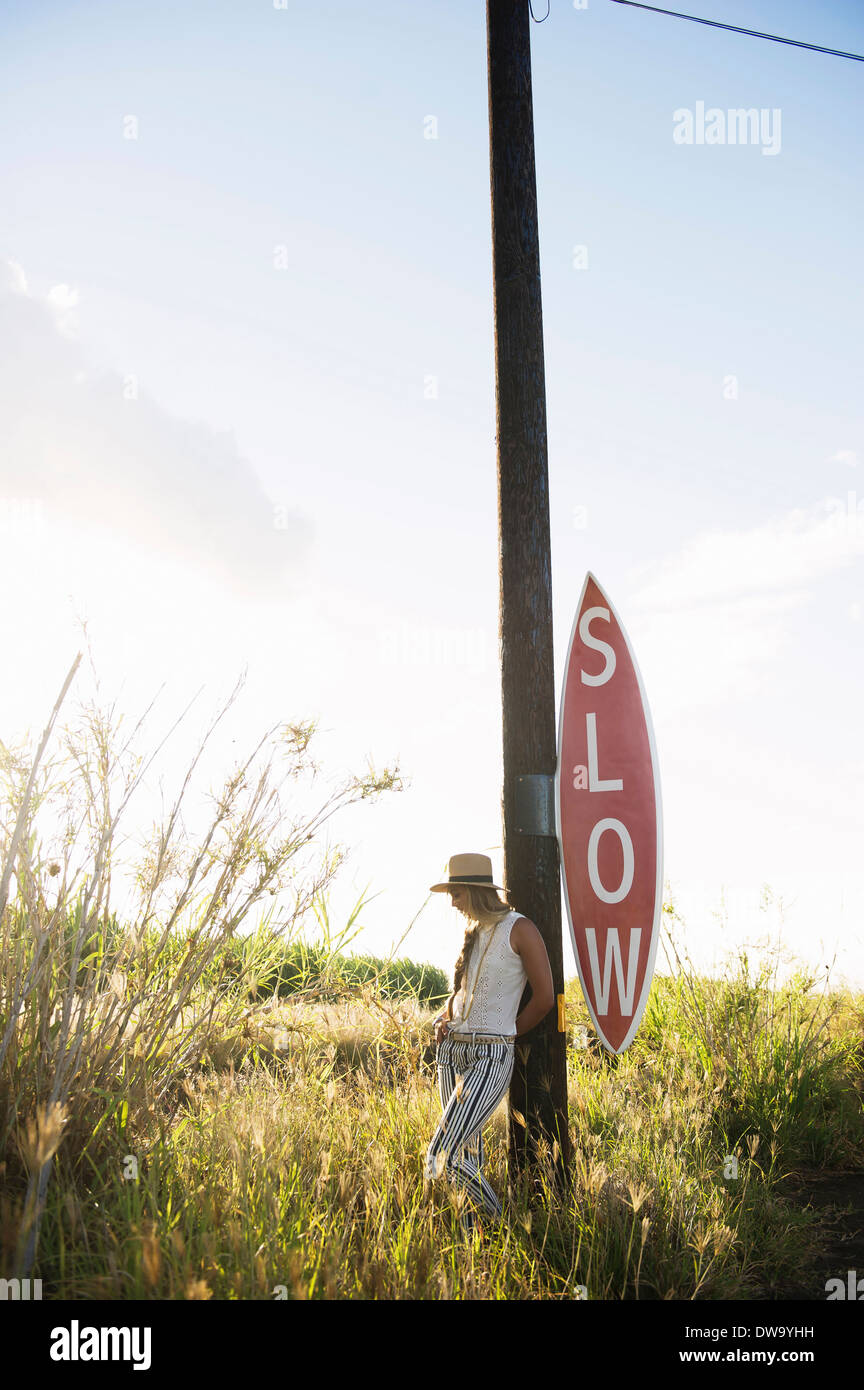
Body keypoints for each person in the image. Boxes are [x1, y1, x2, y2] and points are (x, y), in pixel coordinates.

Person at [424, 851, 555, 1232]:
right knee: (466, 1157)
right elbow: (462, 996)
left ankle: (503, 1228)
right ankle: (473, 1250)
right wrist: (444, 1019)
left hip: (490, 1054)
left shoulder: (520, 929)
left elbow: (545, 997)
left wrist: (507, 1032)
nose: (451, 901)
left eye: (456, 893)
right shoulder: (472, 934)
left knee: (441, 1155)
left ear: (475, 890)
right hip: (452, 1053)